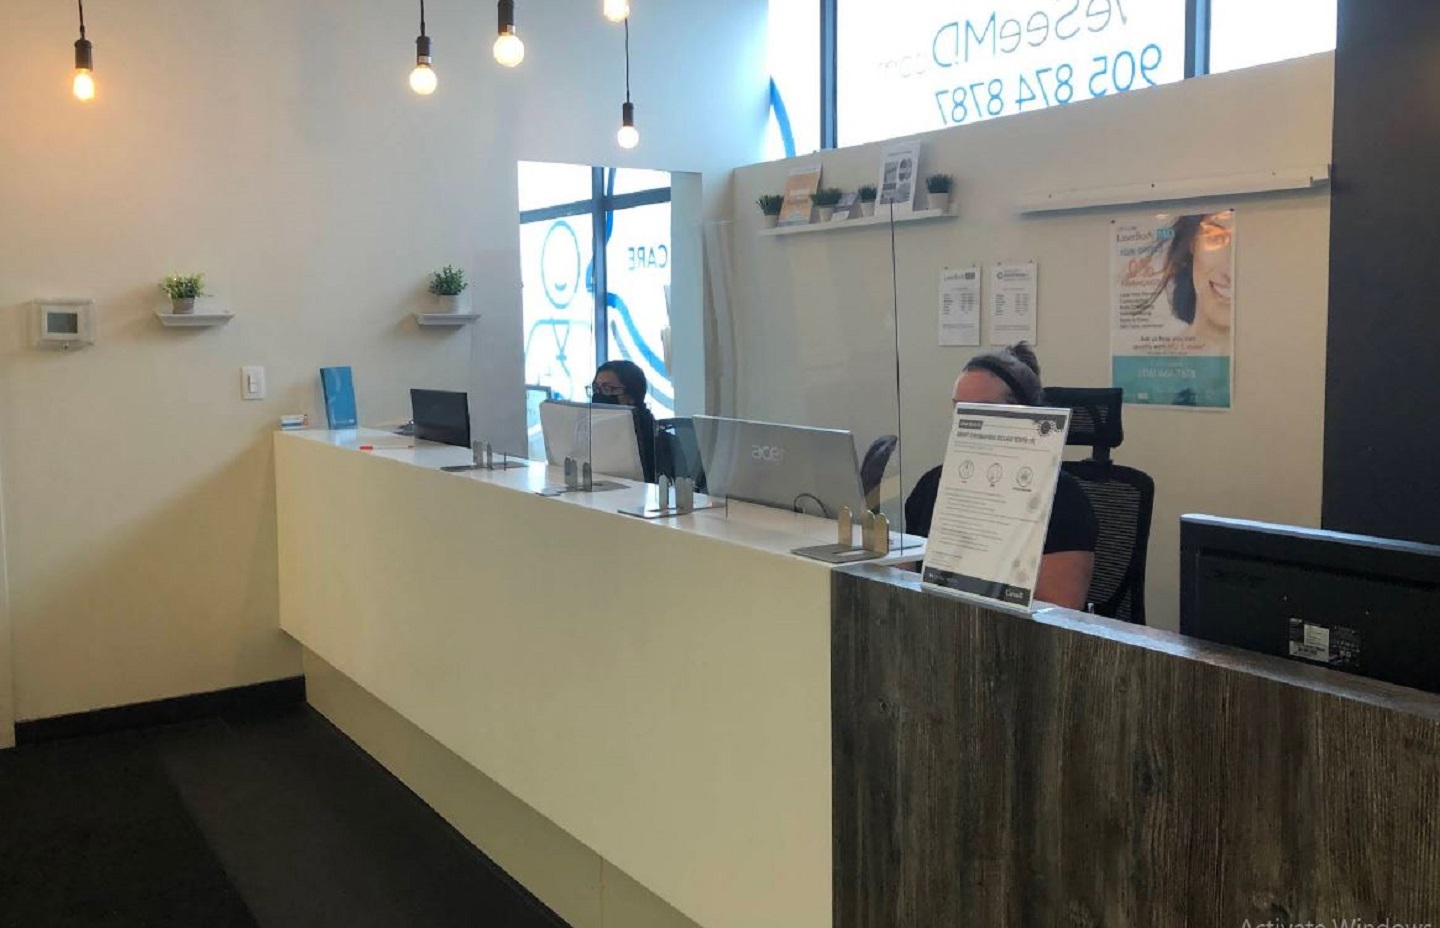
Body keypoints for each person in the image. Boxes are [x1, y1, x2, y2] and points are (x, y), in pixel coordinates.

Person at [904, 343, 1098, 610]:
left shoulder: (1062, 497)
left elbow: (1061, 609)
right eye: (959, 408)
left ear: (1024, 413)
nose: (965, 420)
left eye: (981, 409)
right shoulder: (933, 484)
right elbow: (907, 578)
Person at [1148, 211, 1234, 351]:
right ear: (1192, 243)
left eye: (1249, 246)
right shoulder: (1158, 360)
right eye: (1216, 237)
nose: (1229, 271)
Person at [588, 359, 657, 483]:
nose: (599, 395)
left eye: (607, 388)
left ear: (631, 395)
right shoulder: (593, 428)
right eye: (596, 388)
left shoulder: (650, 434)